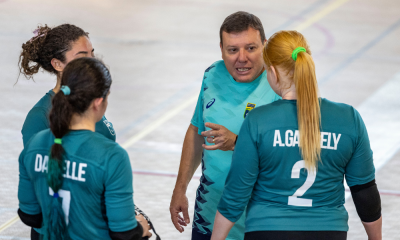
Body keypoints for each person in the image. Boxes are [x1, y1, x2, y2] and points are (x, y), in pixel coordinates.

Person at [211, 30, 382, 240]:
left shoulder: (258, 121)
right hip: (328, 232)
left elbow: (235, 194)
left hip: (267, 231)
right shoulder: (348, 118)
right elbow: (365, 193)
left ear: (272, 72)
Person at [170, 11, 280, 240]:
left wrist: (237, 143)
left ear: (265, 46)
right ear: (221, 49)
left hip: (259, 225)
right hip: (209, 219)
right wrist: (180, 189)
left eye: (251, 48)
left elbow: (288, 154)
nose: (242, 58)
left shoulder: (280, 85)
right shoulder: (212, 75)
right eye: (233, 50)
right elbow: (196, 131)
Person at [18, 57, 152, 240]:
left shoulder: (34, 144)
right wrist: (140, 229)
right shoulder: (112, 156)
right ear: (98, 102)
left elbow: (30, 215)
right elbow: (123, 233)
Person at [19, 24, 116, 148]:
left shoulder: (92, 100)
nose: (92, 62)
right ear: (57, 64)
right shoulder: (40, 116)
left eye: (91, 54)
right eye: (82, 57)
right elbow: (36, 165)